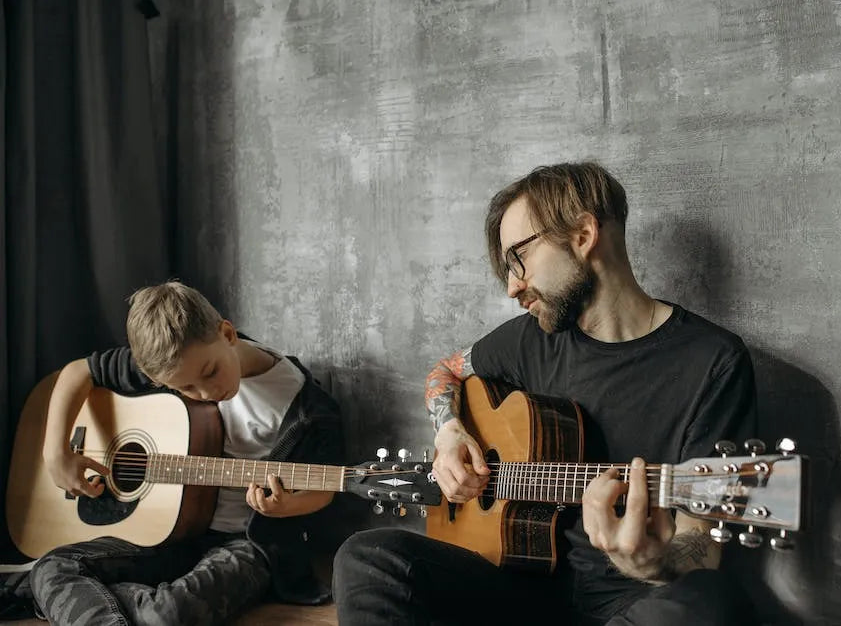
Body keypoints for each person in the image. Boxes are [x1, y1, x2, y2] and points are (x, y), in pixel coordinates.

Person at [332, 162, 758, 625]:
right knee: (368, 556)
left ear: (582, 234)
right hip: (522, 589)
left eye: (518, 258)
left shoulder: (713, 360)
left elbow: (703, 543)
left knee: (711, 603)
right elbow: (446, 370)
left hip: (632, 604)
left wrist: (653, 564)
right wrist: (449, 433)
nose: (513, 285)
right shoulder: (531, 339)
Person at [30, 280, 344, 626]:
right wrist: (56, 451)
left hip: (245, 543)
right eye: (185, 388)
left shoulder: (305, 409)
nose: (206, 392)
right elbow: (79, 371)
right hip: (168, 534)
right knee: (53, 566)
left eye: (210, 372)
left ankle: (95, 603)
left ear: (227, 334)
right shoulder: (174, 360)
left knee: (167, 615)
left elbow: (325, 489)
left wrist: (288, 506)